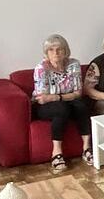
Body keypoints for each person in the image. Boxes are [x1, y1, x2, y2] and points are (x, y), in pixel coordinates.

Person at [32, 34, 92, 173]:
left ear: (66, 51)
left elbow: (78, 92)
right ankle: (56, 153)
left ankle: (86, 149)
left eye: (59, 49)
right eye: (51, 50)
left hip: (66, 101)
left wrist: (56, 97)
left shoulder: (73, 64)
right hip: (44, 107)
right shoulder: (41, 68)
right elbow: (42, 97)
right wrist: (60, 98)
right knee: (61, 109)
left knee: (81, 105)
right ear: (46, 53)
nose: (56, 53)